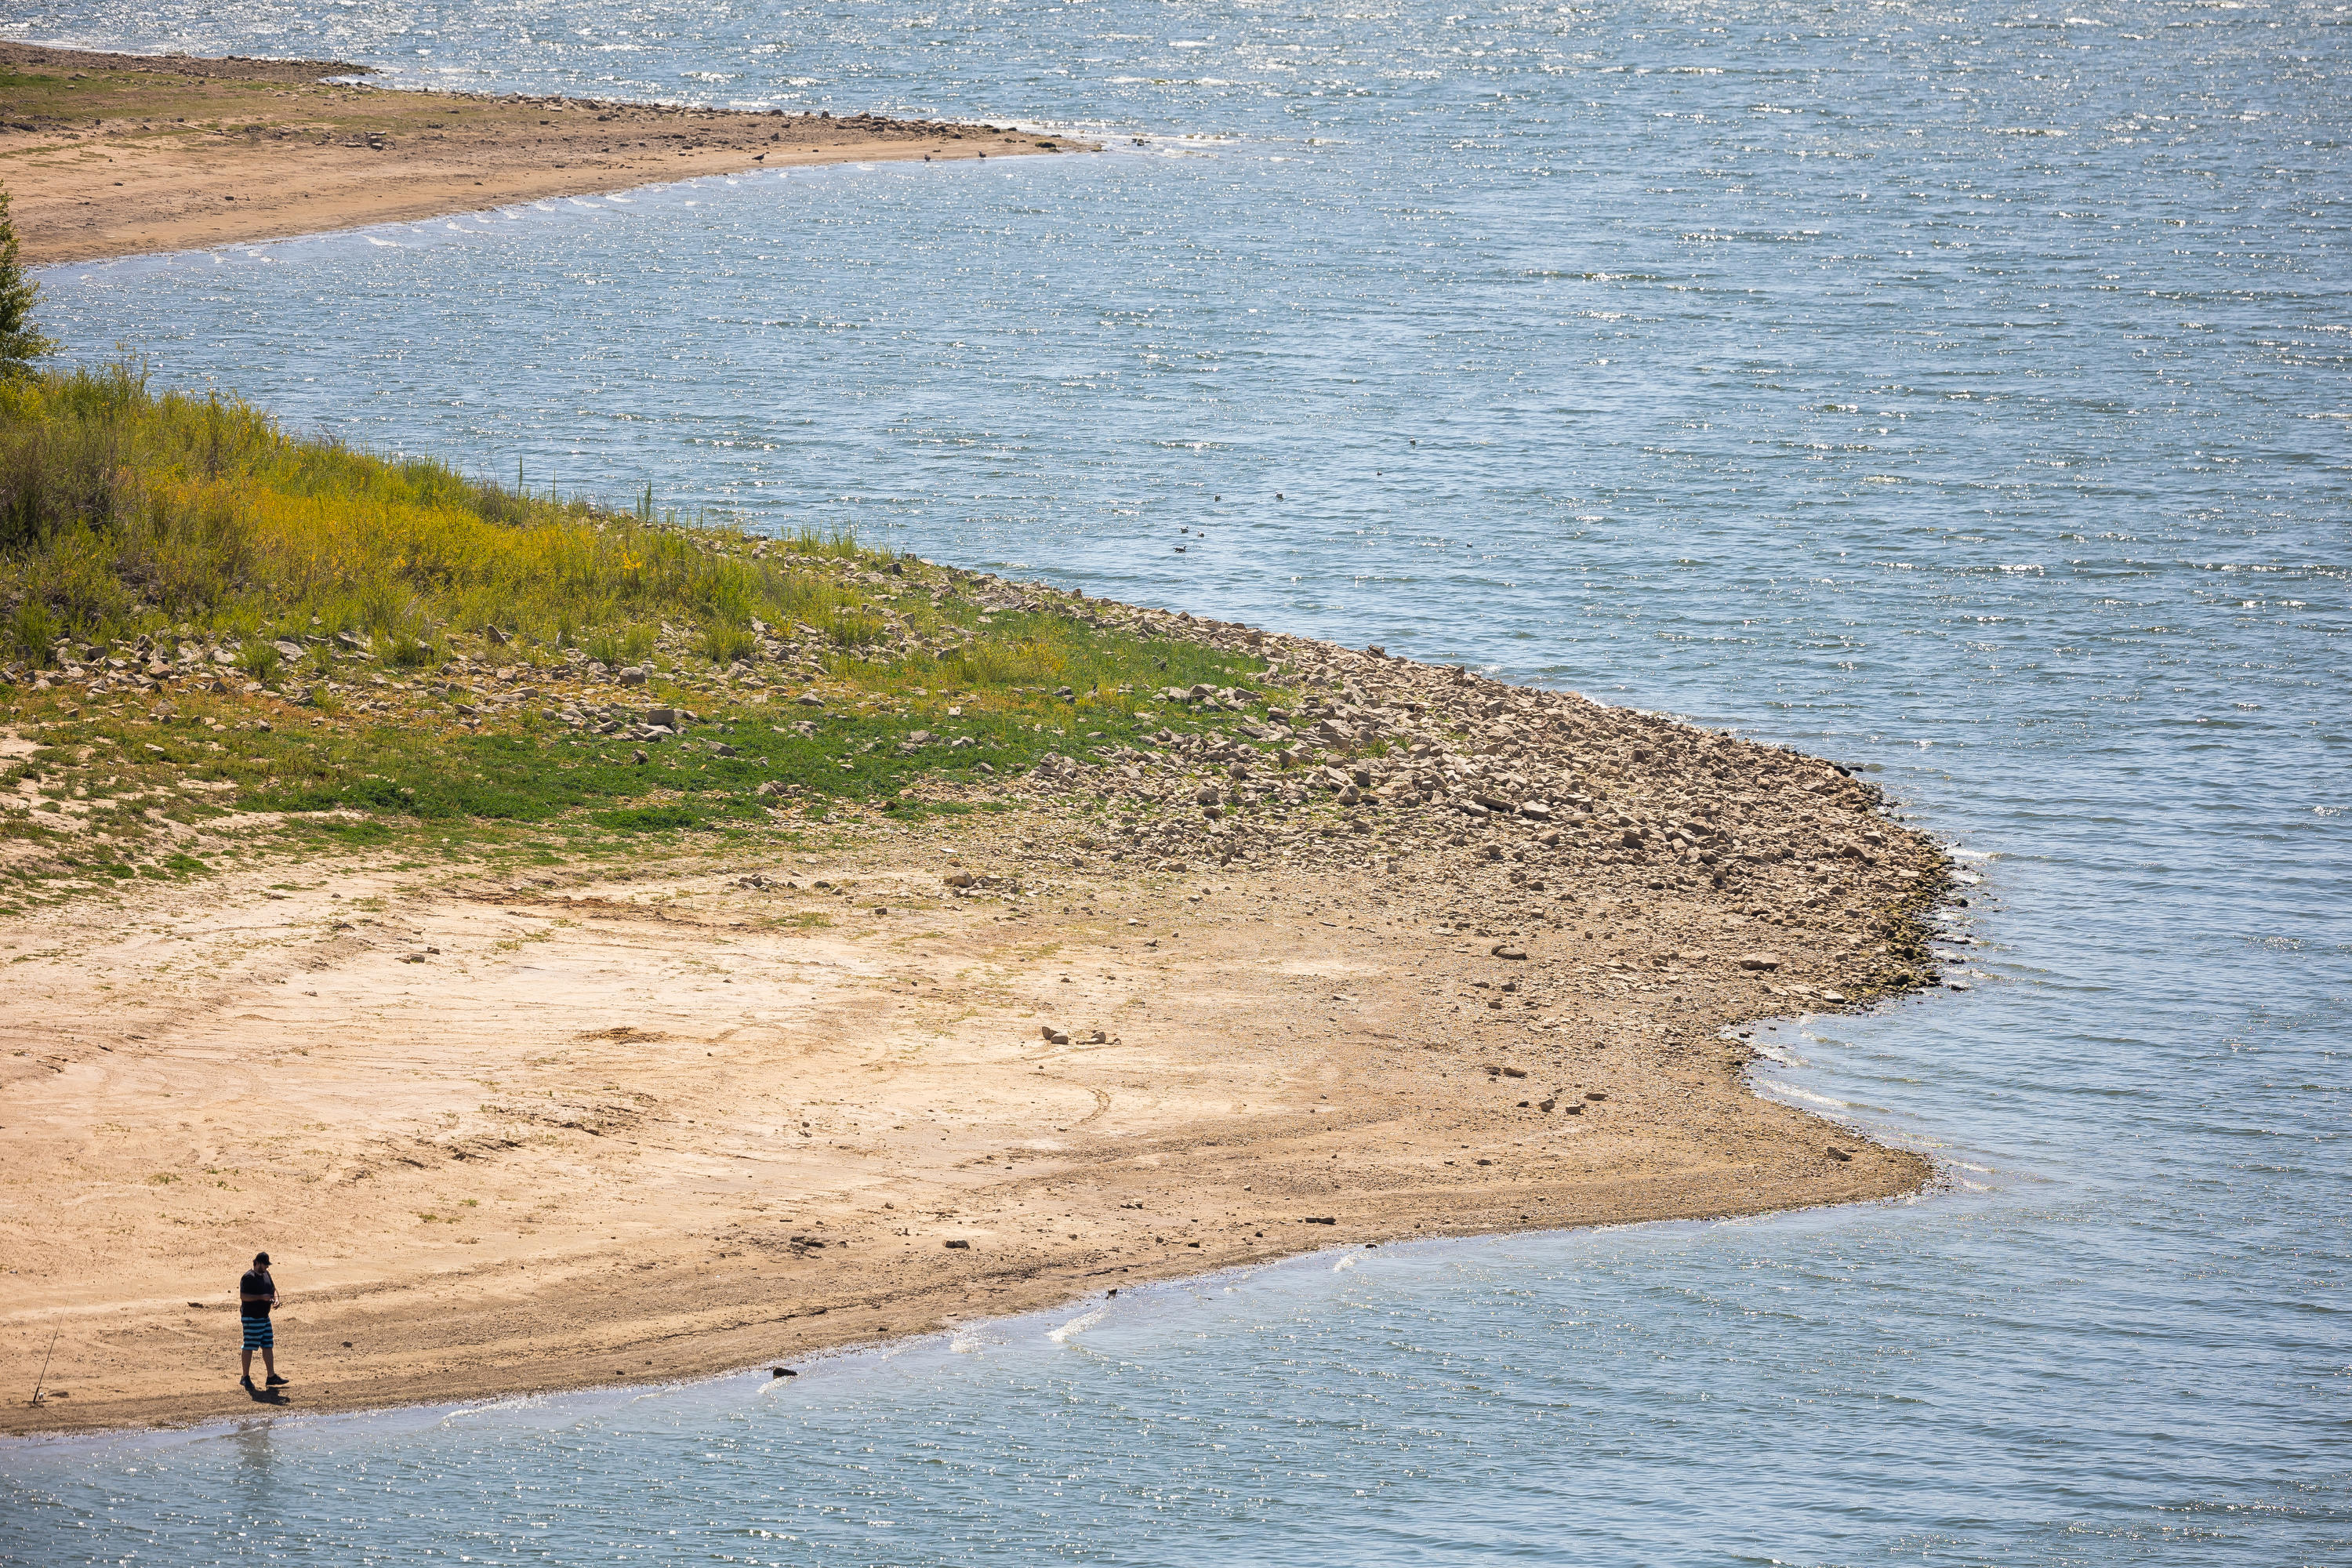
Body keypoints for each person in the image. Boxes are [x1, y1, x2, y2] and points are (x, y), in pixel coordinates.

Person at [238, 1251, 288, 1392]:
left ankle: (271, 1376)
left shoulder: (266, 1275)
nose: (266, 1268)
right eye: (265, 1265)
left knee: (268, 1344)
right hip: (251, 1317)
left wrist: (276, 1299)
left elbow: (273, 1289)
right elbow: (243, 1296)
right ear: (257, 1263)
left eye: (267, 1265)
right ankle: (245, 1377)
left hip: (265, 1317)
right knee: (249, 1346)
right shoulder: (248, 1277)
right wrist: (261, 1297)